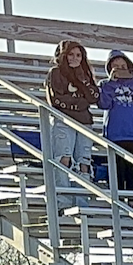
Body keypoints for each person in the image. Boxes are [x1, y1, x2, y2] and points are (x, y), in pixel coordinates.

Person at [96, 51, 133, 192]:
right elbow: (103, 103)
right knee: (117, 170)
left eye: (123, 66)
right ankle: (118, 200)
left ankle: (132, 200)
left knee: (132, 170)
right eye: (116, 66)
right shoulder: (104, 84)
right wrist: (111, 82)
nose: (120, 69)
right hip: (115, 134)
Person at [44, 40, 100, 179]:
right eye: (71, 54)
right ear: (63, 55)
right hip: (64, 121)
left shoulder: (85, 74)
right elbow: (56, 100)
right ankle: (64, 200)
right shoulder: (55, 72)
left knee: (84, 163)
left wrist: (81, 77)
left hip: (85, 122)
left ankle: (82, 200)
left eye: (78, 55)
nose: (75, 58)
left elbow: (93, 97)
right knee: (64, 159)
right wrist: (79, 104)